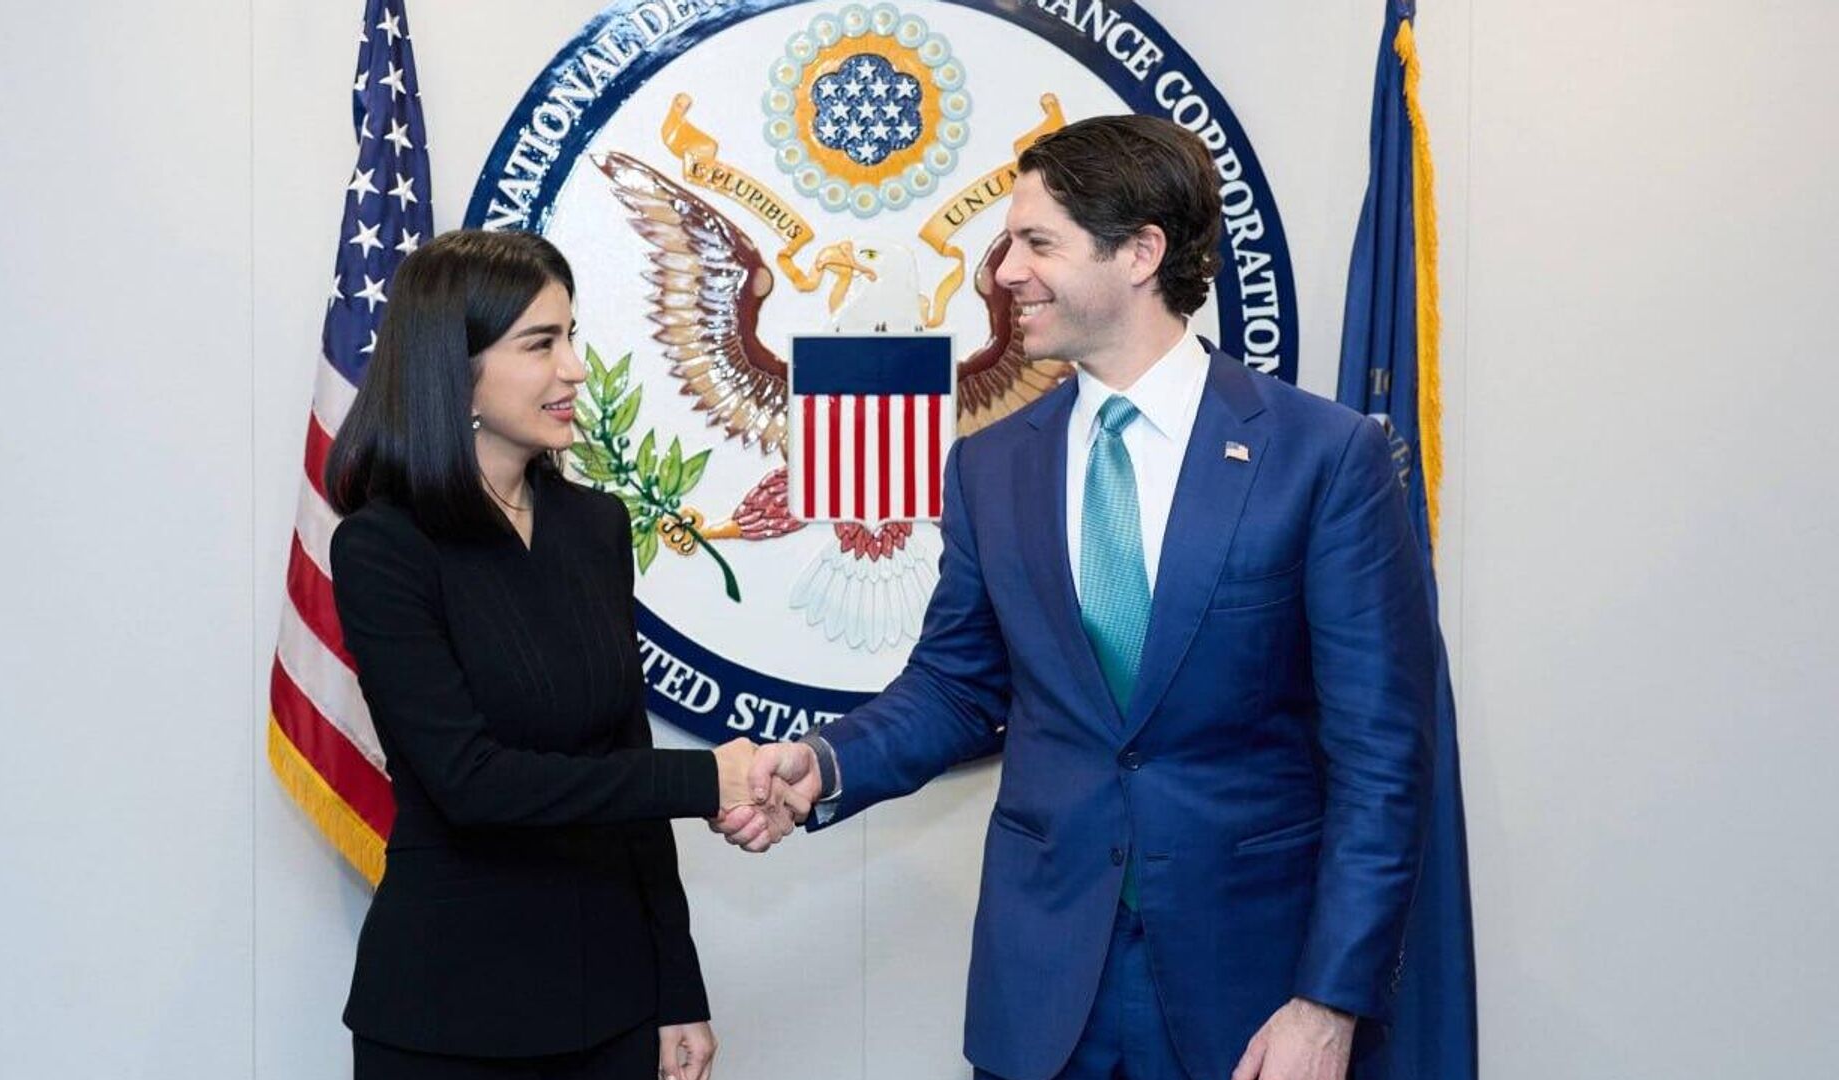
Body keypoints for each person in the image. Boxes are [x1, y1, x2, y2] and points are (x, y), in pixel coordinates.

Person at [721, 116, 1437, 1080]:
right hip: (1043, 988)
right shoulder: (990, 465)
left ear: (1140, 253)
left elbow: (1381, 759)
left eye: (1037, 243)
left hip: (1252, 992)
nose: (1006, 272)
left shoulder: (1322, 456)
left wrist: (1329, 1002)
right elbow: (957, 687)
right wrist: (824, 763)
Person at [325, 229, 795, 1080]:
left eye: (570, 336)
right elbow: (471, 783)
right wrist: (707, 780)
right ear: (455, 367)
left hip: (612, 1007)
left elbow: (623, 753)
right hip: (450, 1019)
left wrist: (677, 987)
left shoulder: (595, 526)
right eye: (541, 344)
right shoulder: (382, 547)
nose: (575, 369)